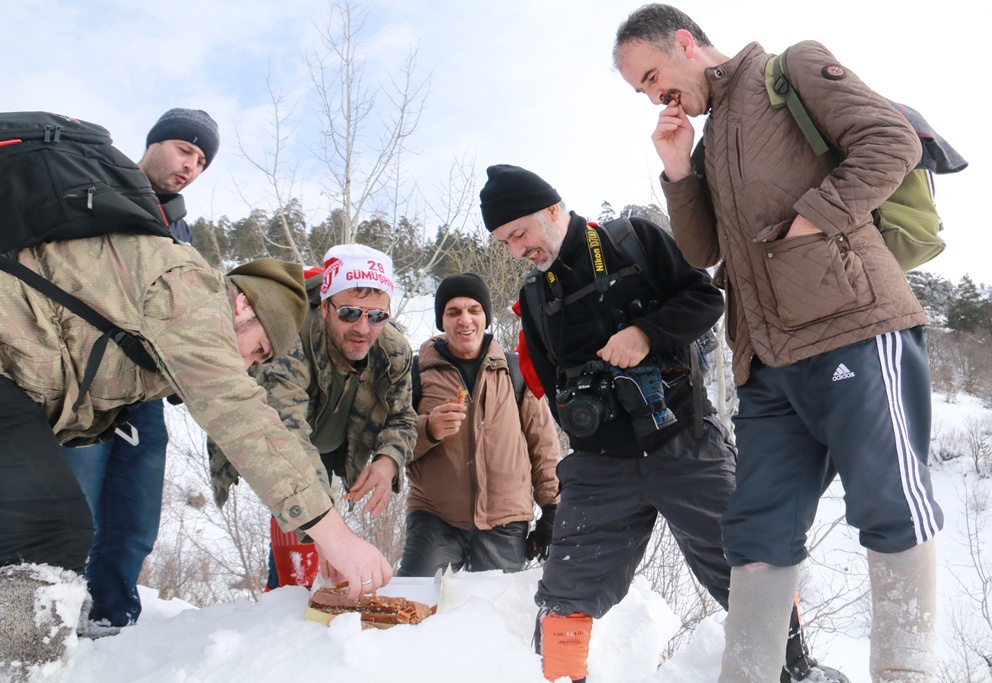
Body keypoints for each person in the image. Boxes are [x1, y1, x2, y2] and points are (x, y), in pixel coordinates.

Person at [613, 5, 942, 681]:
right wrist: (677, 168)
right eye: (640, 91)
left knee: (889, 501)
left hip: (854, 325)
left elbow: (890, 141)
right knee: (757, 530)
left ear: (683, 43)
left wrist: (810, 221)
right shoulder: (704, 146)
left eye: (651, 76)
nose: (653, 95)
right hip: (764, 363)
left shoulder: (787, 70)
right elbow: (702, 251)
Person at [483, 164, 845, 683]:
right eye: (505, 243)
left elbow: (706, 298)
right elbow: (548, 380)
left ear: (552, 210)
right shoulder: (537, 298)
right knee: (564, 594)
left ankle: (796, 672)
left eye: (519, 234)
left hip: (685, 444)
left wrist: (645, 335)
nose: (518, 250)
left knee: (750, 571)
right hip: (599, 466)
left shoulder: (633, 238)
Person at [0, 235, 392, 676]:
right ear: (244, 307)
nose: (249, 364)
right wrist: (338, 538)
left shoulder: (178, 316)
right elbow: (241, 415)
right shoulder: (191, 294)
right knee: (47, 537)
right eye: (259, 349)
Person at [60, 107, 218, 632]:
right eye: (183, 150)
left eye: (200, 160)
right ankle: (54, 613)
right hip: (85, 383)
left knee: (135, 516)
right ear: (154, 144)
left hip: (146, 398)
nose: (190, 165)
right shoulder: (96, 188)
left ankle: (112, 616)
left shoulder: (182, 231)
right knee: (73, 505)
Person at [210, 243, 417, 586]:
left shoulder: (392, 349)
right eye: (349, 313)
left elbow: (403, 417)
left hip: (334, 446)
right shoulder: (285, 335)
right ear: (324, 307)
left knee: (326, 548)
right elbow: (283, 442)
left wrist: (388, 460)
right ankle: (285, 604)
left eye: (377, 316)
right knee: (299, 547)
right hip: (282, 442)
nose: (364, 329)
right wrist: (329, 531)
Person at [398, 273, 560, 577]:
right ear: (441, 321)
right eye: (453, 312)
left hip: (505, 521)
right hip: (435, 518)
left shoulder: (517, 370)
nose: (465, 320)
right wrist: (428, 430)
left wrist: (552, 509)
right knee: (415, 607)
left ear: (485, 317)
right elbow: (392, 444)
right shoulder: (416, 373)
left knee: (497, 615)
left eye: (474, 310)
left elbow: (544, 447)